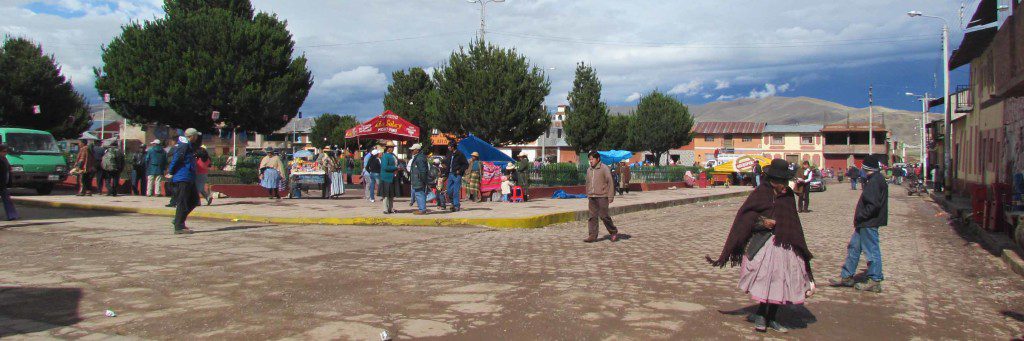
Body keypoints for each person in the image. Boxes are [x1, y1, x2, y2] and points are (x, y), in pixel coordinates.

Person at [707, 158, 815, 333]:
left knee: (781, 283)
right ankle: (760, 315)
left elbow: (793, 222)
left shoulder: (787, 195)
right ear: (773, 180)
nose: (784, 186)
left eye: (785, 182)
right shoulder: (760, 193)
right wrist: (762, 223)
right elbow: (746, 218)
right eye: (781, 183)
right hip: (765, 245)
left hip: (785, 246)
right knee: (767, 281)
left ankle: (772, 318)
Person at [830, 155, 889, 293]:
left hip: (869, 222)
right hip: (864, 223)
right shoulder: (874, 179)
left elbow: (873, 205)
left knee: (871, 251)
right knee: (854, 248)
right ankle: (847, 276)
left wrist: (862, 215)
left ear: (866, 168)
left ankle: (875, 279)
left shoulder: (875, 181)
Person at [168, 128, 201, 234]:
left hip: (189, 176)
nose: (197, 138)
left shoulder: (188, 145)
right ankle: (178, 226)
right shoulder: (184, 145)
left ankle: (179, 220)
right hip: (183, 177)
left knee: (194, 201)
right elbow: (176, 158)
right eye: (196, 136)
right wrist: (171, 171)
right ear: (192, 136)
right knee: (183, 202)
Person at [583, 151, 620, 243]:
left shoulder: (604, 168)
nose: (590, 161)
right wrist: (588, 193)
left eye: (592, 159)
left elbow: (610, 182)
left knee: (604, 216)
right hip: (592, 196)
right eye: (589, 159)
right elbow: (587, 182)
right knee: (592, 217)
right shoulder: (589, 170)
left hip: (603, 196)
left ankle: (613, 232)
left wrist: (611, 196)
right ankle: (592, 235)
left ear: (598, 159)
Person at [445, 142, 469, 212]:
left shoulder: (460, 154)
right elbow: (447, 163)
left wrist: (460, 170)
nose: (448, 148)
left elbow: (466, 164)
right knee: (449, 190)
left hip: (457, 175)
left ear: (453, 147)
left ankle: (456, 205)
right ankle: (452, 203)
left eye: (449, 146)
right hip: (450, 174)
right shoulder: (449, 153)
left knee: (456, 191)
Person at [409, 143, 430, 215]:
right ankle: (422, 209)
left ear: (417, 150)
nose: (411, 151)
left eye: (412, 150)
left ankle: (422, 209)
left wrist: (422, 180)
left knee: (419, 194)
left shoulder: (419, 158)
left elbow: (422, 170)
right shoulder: (419, 157)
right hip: (418, 179)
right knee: (420, 193)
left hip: (419, 179)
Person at [0, 145, 19, 221]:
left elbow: (8, 171)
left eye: (6, 151)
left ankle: (12, 215)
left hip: (3, 183)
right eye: (4, 151)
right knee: (7, 199)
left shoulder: (4, 159)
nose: (5, 153)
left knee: (7, 200)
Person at [379, 142, 399, 214]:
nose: (392, 149)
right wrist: (395, 168)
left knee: (391, 194)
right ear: (387, 148)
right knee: (386, 194)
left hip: (392, 177)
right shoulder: (385, 156)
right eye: (390, 147)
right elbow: (385, 167)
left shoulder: (393, 155)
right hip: (386, 177)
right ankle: (385, 209)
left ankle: (390, 208)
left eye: (392, 147)